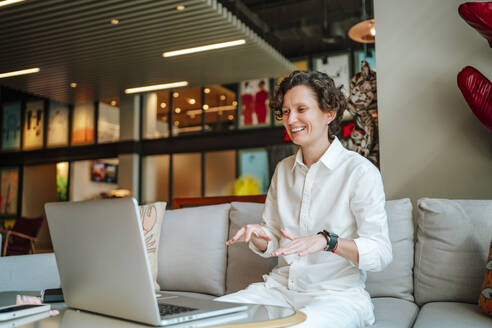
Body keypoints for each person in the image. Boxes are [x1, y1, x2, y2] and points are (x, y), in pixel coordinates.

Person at [216, 70, 392, 327]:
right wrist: (260, 236)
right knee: (209, 317)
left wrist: (327, 241)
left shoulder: (360, 172)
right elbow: (276, 239)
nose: (291, 119)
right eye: (286, 111)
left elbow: (381, 253)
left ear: (329, 114)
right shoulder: (283, 170)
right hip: (278, 291)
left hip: (335, 297)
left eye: (301, 109)